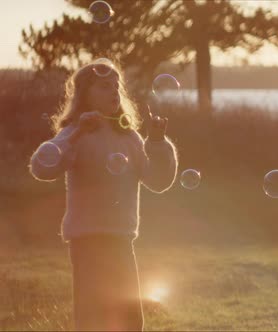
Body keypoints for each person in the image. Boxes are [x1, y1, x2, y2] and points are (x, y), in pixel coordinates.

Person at [28, 60, 178, 331]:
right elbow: (41, 166)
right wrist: (75, 133)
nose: (113, 92)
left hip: (121, 239)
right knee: (92, 318)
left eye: (116, 87)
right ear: (85, 95)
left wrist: (156, 142)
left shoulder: (129, 138)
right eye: (104, 86)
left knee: (130, 319)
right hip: (87, 240)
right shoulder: (76, 135)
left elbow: (158, 181)